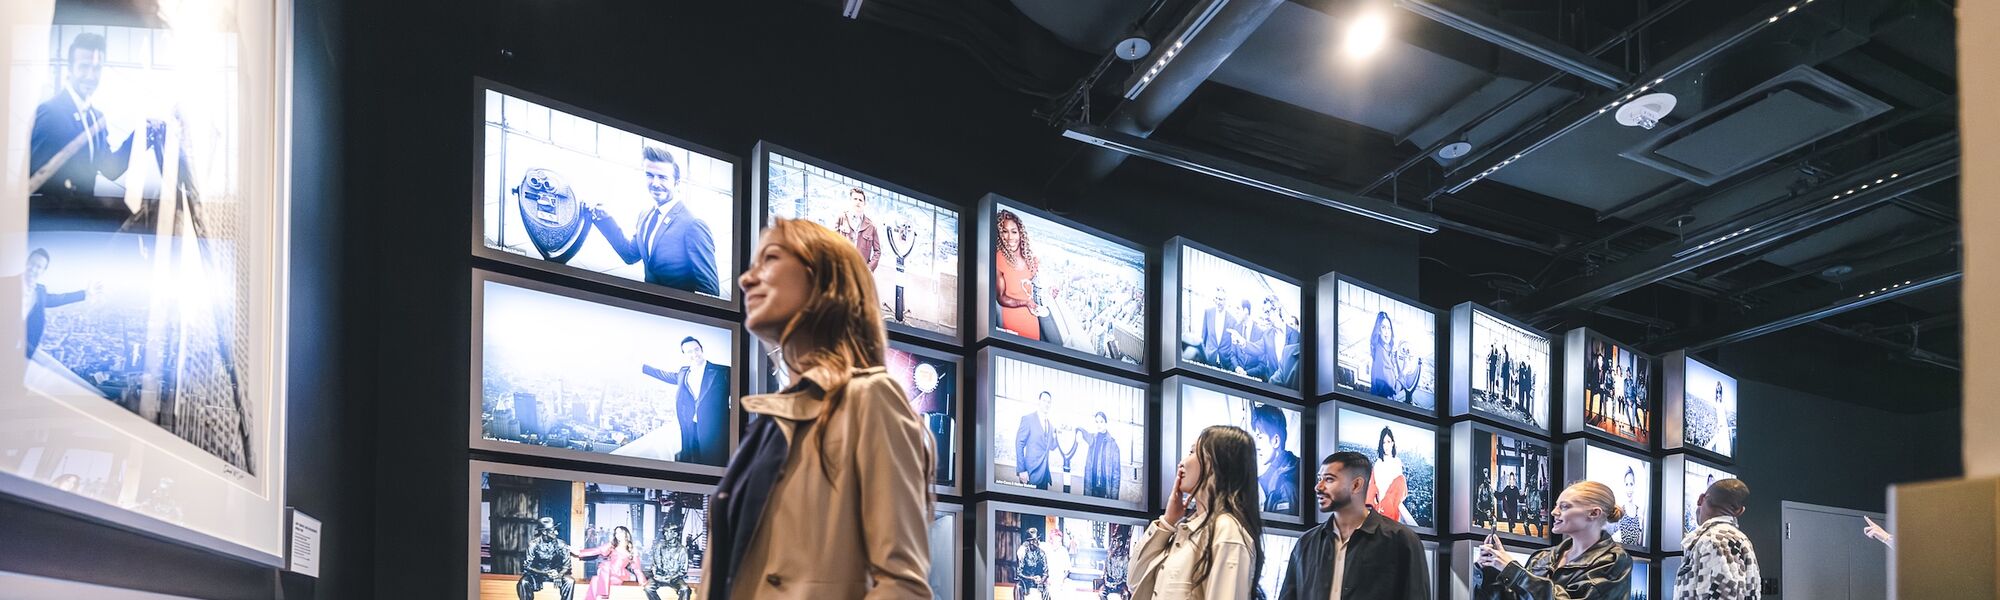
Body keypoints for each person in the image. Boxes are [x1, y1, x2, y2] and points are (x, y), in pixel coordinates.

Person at [698, 218, 933, 599]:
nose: (746, 279)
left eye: (770, 258)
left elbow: (902, 585)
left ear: (823, 279)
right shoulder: (771, 422)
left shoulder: (870, 398)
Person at [28, 32, 159, 216]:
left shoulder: (96, 117)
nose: (90, 76)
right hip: (52, 224)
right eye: (84, 67)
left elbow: (110, 169)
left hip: (80, 222)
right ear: (70, 68)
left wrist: (142, 133)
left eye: (96, 68)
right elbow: (32, 180)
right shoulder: (50, 112)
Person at [1128, 426, 1262, 599]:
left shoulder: (1227, 530)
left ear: (1214, 463)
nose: (1181, 463)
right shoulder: (1188, 529)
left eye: (1192, 452)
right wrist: (1167, 522)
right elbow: (1135, 580)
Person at [1276, 451, 1429, 600]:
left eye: (1329, 479)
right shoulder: (1306, 543)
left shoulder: (1401, 540)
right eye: (1319, 479)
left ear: (1356, 485)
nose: (1318, 487)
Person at [592, 146, 720, 296]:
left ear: (677, 183)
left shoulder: (693, 225)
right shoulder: (645, 216)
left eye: (663, 177)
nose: (655, 183)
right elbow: (629, 255)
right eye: (650, 175)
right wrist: (604, 219)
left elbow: (709, 291)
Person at [1476, 481, 1634, 599]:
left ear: (1593, 513)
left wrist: (1514, 572)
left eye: (1564, 506)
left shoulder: (1614, 561)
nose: (1553, 512)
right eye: (1556, 505)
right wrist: (1490, 570)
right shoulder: (1542, 557)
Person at [642, 336, 731, 465]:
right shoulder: (683, 372)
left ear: (701, 349)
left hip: (715, 429)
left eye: (696, 349)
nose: (694, 354)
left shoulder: (722, 371)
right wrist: (641, 367)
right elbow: (663, 374)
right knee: (693, 461)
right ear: (684, 354)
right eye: (689, 352)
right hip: (690, 426)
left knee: (714, 462)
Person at [1675, 479, 1760, 600]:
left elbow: (1724, 595)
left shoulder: (1716, 539)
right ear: (1740, 511)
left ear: (1700, 499)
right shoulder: (1736, 538)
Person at [22, 248, 97, 358]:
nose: (33, 269)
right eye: (32, 264)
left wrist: (84, 293)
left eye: (39, 267)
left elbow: (58, 299)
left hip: (24, 350)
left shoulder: (40, 291)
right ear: (26, 263)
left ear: (43, 271)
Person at [993, 209, 1043, 340]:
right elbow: (1001, 298)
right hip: (1012, 318)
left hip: (1031, 318)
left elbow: (1039, 288)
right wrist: (1025, 303)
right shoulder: (998, 259)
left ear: (1021, 233)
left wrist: (1051, 291)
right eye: (1005, 231)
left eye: (1014, 232)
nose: (1010, 238)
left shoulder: (1031, 259)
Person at [1250, 405, 1300, 515]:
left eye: (1259, 437)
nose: (1256, 446)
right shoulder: (1289, 472)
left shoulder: (1285, 486)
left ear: (1275, 441)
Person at [574, 525, 643, 600]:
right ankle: (601, 596)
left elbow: (637, 569)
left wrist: (643, 582)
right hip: (607, 574)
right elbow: (598, 550)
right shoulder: (612, 545)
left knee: (605, 565)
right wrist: (579, 553)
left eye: (620, 532)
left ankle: (603, 595)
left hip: (619, 575)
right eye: (616, 533)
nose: (618, 534)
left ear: (626, 533)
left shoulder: (632, 550)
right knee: (595, 579)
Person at [1366, 426, 1416, 526]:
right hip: (1377, 506)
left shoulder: (1397, 462)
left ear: (1393, 443)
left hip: (1391, 506)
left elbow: (1399, 488)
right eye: (1384, 442)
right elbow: (1374, 486)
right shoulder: (1378, 463)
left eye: (1389, 441)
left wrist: (1388, 501)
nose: (1386, 445)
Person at [1368, 312, 1421, 401]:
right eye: (1383, 327)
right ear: (1379, 331)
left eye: (1389, 328)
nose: (1387, 332)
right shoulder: (1382, 356)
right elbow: (1393, 389)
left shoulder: (1380, 348)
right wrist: (1404, 370)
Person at [519, 517, 576, 600]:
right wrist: (544, 572)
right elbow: (527, 566)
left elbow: (567, 566)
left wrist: (559, 575)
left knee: (570, 581)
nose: (556, 533)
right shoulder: (533, 545)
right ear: (544, 531)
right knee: (524, 582)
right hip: (537, 574)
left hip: (557, 573)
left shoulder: (561, 544)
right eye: (553, 531)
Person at [1015, 391, 1058, 490]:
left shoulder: (1050, 425)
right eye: (1044, 401)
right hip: (1030, 474)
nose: (1046, 404)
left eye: (1049, 402)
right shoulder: (1028, 419)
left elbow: (1052, 447)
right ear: (1039, 402)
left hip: (1044, 476)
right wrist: (1021, 470)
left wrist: (1057, 435)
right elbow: (1019, 444)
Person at [832, 187, 881, 272]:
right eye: (855, 199)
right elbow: (831, 241)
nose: (858, 202)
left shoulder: (871, 227)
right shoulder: (842, 218)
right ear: (850, 200)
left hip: (860, 271)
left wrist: (869, 268)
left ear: (864, 203)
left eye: (860, 200)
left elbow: (877, 251)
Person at [1184, 287, 1231, 368]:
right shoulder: (1208, 312)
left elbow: (1231, 344)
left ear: (1225, 301)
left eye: (1221, 299)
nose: (1218, 302)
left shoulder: (1232, 319)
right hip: (1209, 358)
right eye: (1216, 298)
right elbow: (1204, 336)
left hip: (1225, 362)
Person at [645, 521, 693, 600]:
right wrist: (656, 575)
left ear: (675, 534)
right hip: (660, 577)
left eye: (667, 532)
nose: (665, 534)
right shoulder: (659, 546)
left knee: (685, 589)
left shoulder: (682, 550)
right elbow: (654, 565)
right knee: (648, 588)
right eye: (664, 532)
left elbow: (683, 570)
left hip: (675, 578)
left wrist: (671, 577)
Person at [1084, 412, 1124, 501]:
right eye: (1097, 422)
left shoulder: (1113, 445)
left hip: (1105, 491)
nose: (1099, 424)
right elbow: (1081, 431)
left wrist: (1114, 499)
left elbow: (1116, 475)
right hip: (1091, 489)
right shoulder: (1092, 440)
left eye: (1101, 421)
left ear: (1106, 423)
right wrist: (1078, 432)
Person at [1017, 528, 1052, 600]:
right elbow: (1019, 573)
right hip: (1026, 581)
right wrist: (1031, 578)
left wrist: (1041, 581)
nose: (1039, 541)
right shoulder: (1024, 553)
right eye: (1037, 539)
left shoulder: (1042, 553)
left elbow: (1046, 573)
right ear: (1031, 542)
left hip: (1039, 582)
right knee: (1018, 587)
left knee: (1047, 590)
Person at [1618, 467, 1646, 548]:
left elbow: (1640, 544)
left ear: (1634, 485)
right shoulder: (1619, 510)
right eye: (1626, 484)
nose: (1629, 488)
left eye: (1631, 484)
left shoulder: (1639, 512)